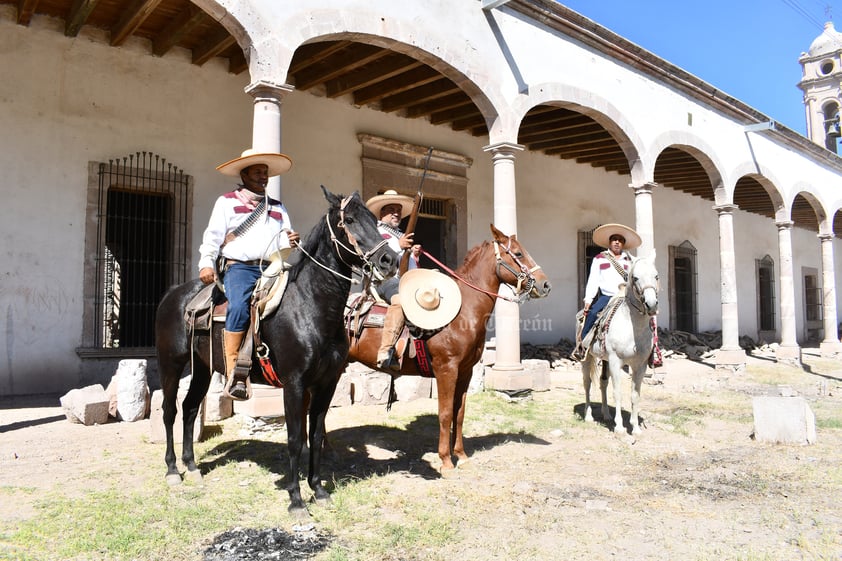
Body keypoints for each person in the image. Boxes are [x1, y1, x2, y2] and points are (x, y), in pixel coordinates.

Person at [198, 148, 300, 400]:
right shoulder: (227, 202)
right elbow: (213, 236)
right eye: (257, 172)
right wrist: (206, 263)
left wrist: (291, 240)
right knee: (240, 307)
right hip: (240, 267)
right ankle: (234, 370)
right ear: (244, 174)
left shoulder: (277, 207)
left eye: (265, 172)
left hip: (272, 266)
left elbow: (284, 238)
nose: (263, 176)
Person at [572, 223, 641, 361]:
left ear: (623, 244)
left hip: (625, 296)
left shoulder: (629, 260)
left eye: (620, 240)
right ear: (609, 242)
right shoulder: (600, 258)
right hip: (607, 297)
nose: (617, 242)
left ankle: (647, 350)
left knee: (644, 315)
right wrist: (588, 300)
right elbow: (593, 281)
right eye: (614, 239)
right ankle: (583, 347)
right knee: (591, 314)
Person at [365, 189, 414, 370]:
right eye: (392, 209)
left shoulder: (401, 234)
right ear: (382, 212)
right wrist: (398, 246)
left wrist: (412, 256)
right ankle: (385, 351)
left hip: (405, 280)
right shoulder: (374, 231)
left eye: (399, 210)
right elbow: (377, 254)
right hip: (383, 280)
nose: (397, 213)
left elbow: (410, 267)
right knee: (401, 301)